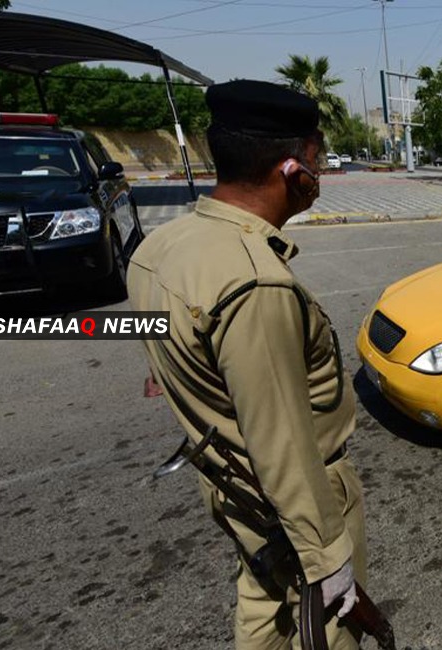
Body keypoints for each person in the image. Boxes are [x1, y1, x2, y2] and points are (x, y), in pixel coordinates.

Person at [127, 80, 367, 649]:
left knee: (262, 604)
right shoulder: (254, 281)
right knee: (332, 629)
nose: (320, 172)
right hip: (296, 497)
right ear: (292, 170)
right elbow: (281, 440)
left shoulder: (161, 245)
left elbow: (158, 336)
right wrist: (328, 554)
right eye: (318, 158)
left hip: (228, 479)